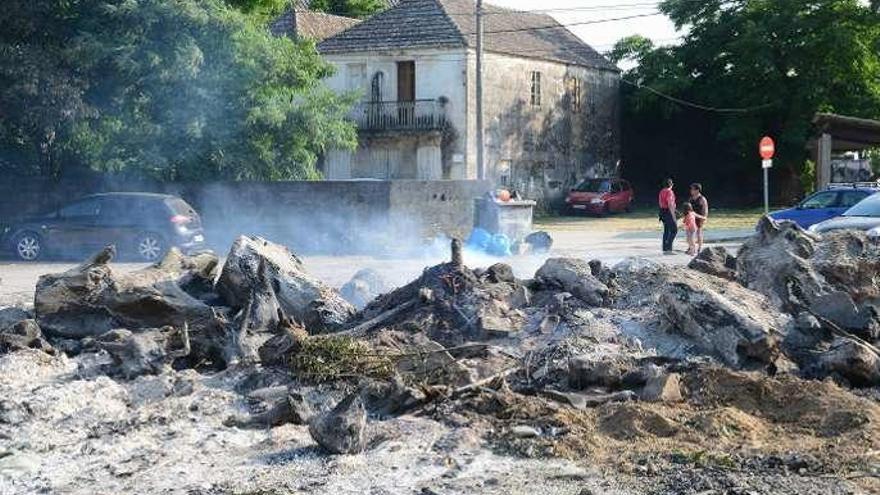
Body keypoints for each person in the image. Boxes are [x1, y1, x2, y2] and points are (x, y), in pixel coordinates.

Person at [688, 183, 709, 254]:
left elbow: (705, 209)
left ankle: (699, 248)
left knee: (699, 233)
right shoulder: (691, 199)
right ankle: (691, 247)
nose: (691, 190)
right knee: (690, 233)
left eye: (692, 189)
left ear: (697, 190)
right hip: (691, 218)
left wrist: (704, 218)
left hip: (699, 217)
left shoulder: (702, 199)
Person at [658, 178, 677, 253]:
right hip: (668, 211)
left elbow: (660, 202)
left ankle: (665, 248)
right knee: (674, 230)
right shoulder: (669, 192)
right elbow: (670, 204)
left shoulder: (661, 191)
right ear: (671, 184)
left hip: (662, 211)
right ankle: (669, 247)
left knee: (666, 230)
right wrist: (673, 215)